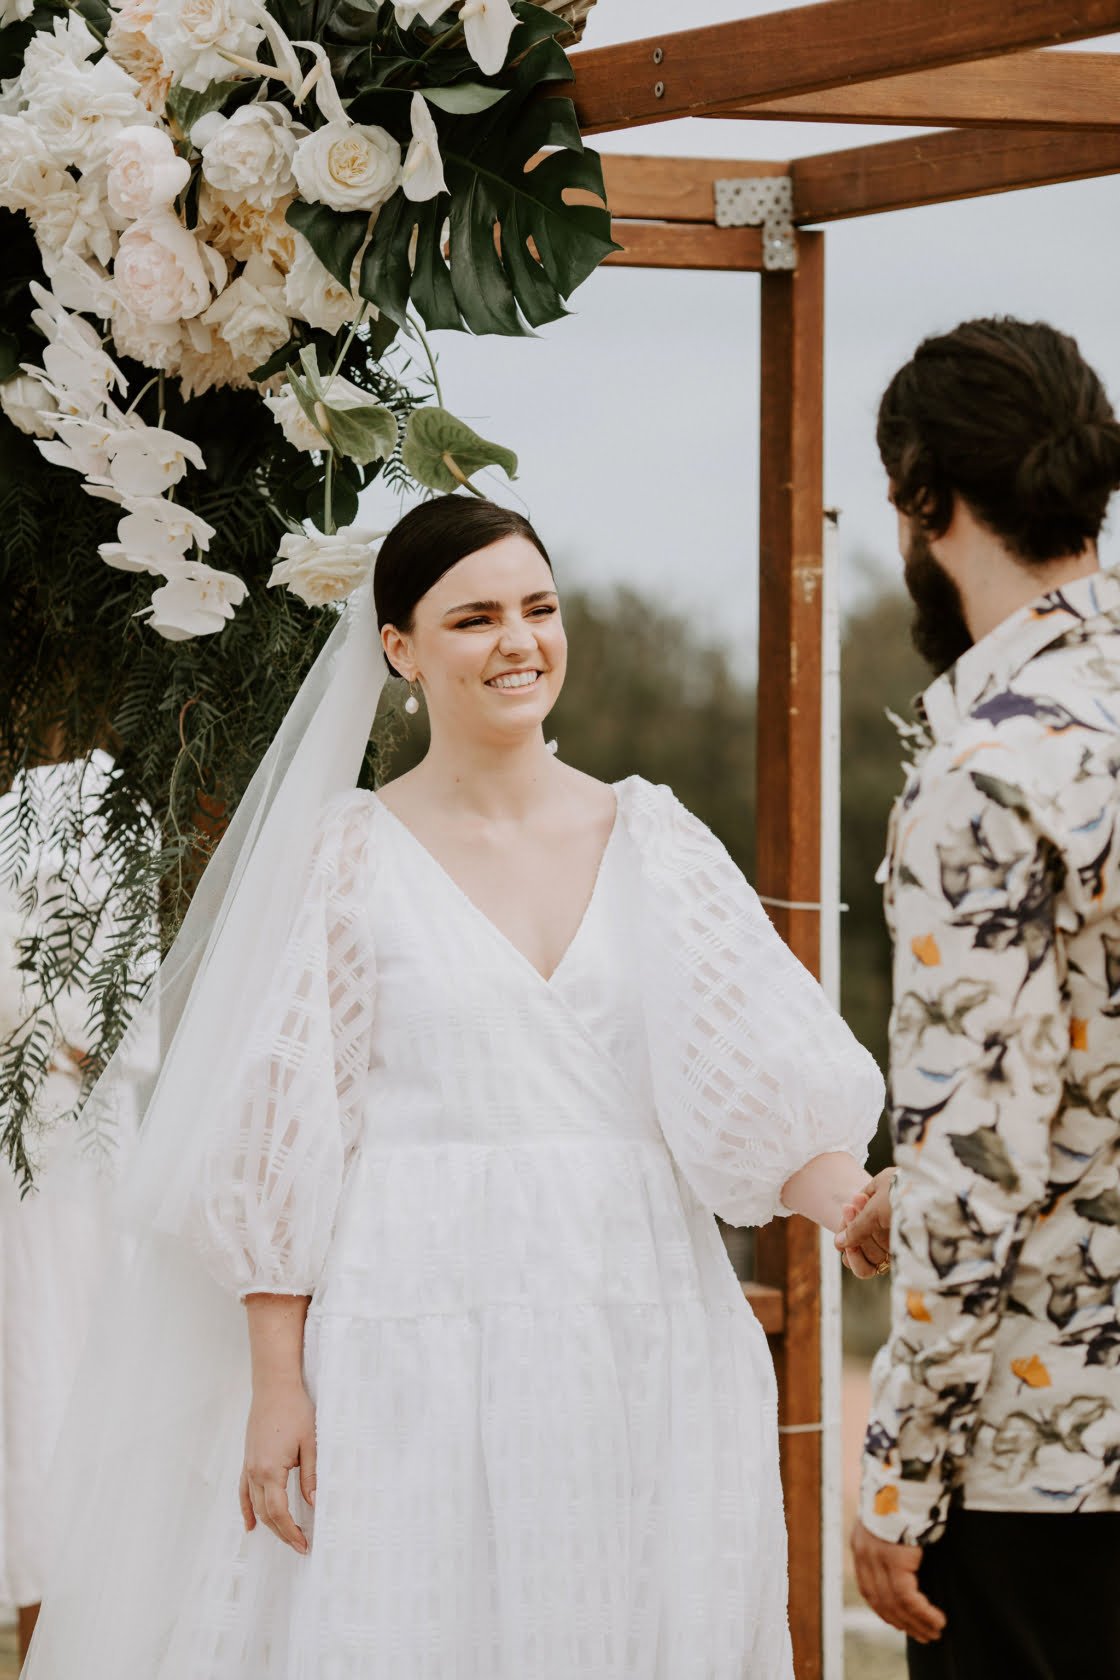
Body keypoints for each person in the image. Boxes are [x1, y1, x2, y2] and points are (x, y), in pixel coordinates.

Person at [21, 494, 885, 1679]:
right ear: (401, 649)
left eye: (538, 608)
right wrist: (277, 1384)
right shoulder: (348, 855)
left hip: (637, 1322)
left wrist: (850, 1202)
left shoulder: (658, 839)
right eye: (474, 618)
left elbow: (749, 1081)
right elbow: (280, 1137)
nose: (518, 641)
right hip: (407, 1329)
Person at [838, 319, 1120, 1678]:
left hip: (1044, 1464)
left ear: (924, 499)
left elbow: (979, 1169)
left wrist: (897, 1480)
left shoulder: (987, 775)